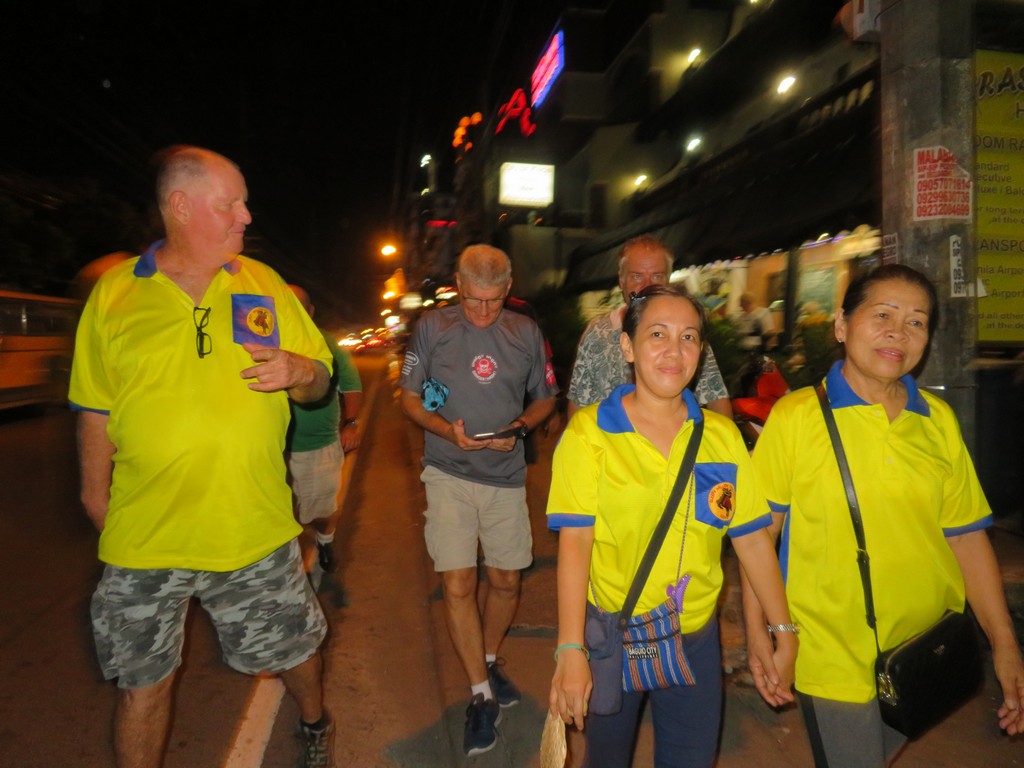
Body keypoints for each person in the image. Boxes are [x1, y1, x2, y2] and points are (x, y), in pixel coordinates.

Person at [69, 146, 337, 768]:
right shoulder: (115, 294)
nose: (246, 215)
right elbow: (94, 407)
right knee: (141, 684)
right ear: (181, 207)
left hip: (251, 526)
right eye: (230, 203)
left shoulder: (262, 283)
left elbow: (320, 379)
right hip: (145, 535)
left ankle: (314, 720)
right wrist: (92, 493)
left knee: (293, 651)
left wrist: (300, 370)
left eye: (244, 202)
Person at [744, 264, 1024, 766]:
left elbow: (965, 536)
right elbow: (758, 536)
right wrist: (761, 634)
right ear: (842, 325)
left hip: (924, 646)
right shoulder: (796, 418)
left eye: (916, 322)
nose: (899, 332)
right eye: (883, 315)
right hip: (831, 649)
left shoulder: (936, 420)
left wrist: (1004, 642)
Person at [547, 284, 797, 768]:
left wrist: (782, 630)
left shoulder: (721, 437)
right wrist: (570, 647)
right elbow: (575, 543)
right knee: (606, 759)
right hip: (616, 637)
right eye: (657, 334)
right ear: (627, 346)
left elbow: (751, 539)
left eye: (688, 337)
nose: (673, 350)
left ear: (700, 353)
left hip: (694, 639)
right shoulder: (589, 434)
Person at [398, 244, 558, 756]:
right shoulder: (433, 327)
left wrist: (520, 427)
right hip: (448, 471)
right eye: (473, 300)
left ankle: (487, 660)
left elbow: (546, 398)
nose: (484, 311)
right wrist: (447, 430)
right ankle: (480, 694)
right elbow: (409, 397)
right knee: (459, 582)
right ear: (458, 287)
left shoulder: (525, 332)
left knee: (507, 581)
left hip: (505, 476)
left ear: (508, 289)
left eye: (493, 300)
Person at [567, 234, 733, 421]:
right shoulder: (597, 334)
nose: (646, 286)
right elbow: (578, 402)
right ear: (621, 280)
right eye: (637, 276)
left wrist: (726, 437)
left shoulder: (685, 334)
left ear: (667, 280)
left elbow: (716, 397)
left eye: (657, 276)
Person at [285, 284, 363, 575]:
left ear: (310, 311)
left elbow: (351, 385)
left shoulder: (326, 343)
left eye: (298, 306)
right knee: (281, 513)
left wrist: (351, 424)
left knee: (321, 511)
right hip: (273, 450)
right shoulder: (263, 341)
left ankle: (324, 539)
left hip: (319, 446)